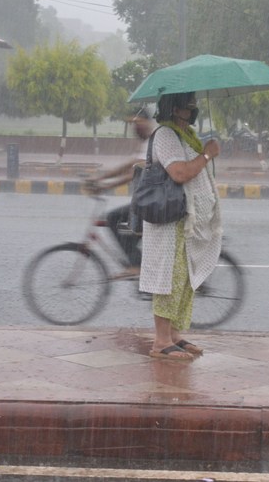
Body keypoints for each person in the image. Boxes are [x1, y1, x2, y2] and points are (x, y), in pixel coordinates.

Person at [140, 92, 222, 361]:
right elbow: (179, 172)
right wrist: (207, 155)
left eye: (195, 104)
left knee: (184, 279)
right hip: (169, 219)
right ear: (174, 108)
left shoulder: (185, 136)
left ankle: (174, 335)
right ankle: (161, 341)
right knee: (168, 278)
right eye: (188, 105)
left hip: (185, 221)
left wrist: (205, 152)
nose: (194, 108)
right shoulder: (166, 135)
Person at [84, 108, 155, 278]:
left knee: (113, 218)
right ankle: (139, 265)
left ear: (148, 122)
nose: (135, 128)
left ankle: (136, 265)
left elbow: (132, 172)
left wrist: (103, 184)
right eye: (132, 125)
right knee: (127, 229)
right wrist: (101, 179)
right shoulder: (147, 143)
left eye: (138, 123)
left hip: (155, 202)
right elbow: (131, 165)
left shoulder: (153, 142)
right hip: (149, 199)